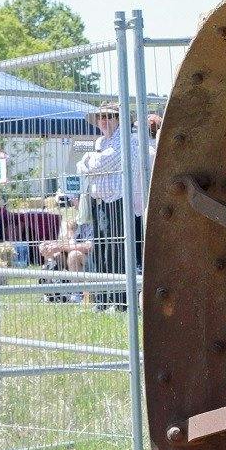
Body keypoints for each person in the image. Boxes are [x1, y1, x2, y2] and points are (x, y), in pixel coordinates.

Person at [78, 105, 139, 304]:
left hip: (118, 202)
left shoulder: (126, 139)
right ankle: (103, 299)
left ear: (119, 119)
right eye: (100, 117)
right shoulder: (101, 142)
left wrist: (88, 160)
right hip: (100, 203)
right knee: (100, 249)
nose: (103, 120)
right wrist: (89, 162)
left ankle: (120, 300)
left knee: (116, 250)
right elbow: (83, 167)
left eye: (109, 116)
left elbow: (100, 164)